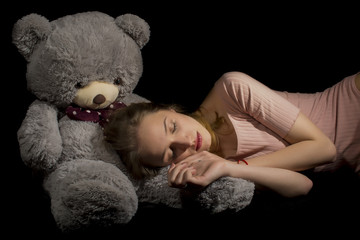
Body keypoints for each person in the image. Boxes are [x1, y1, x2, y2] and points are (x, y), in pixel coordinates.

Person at [104, 71, 360, 197]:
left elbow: (324, 149)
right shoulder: (210, 169)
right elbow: (302, 186)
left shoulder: (232, 89)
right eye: (171, 151)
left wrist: (234, 164)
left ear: (171, 109)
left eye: (172, 126)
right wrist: (231, 169)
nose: (186, 141)